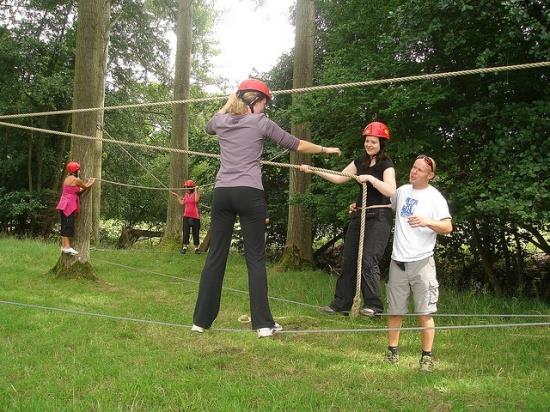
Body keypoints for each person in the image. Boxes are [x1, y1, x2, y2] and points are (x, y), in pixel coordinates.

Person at [192, 79, 341, 338]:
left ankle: (200, 322)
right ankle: (263, 325)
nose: (265, 108)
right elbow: (297, 145)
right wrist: (325, 149)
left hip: (223, 194)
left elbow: (208, 126)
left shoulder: (222, 121)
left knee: (216, 256)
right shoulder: (260, 122)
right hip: (250, 194)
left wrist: (228, 103)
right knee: (255, 260)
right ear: (256, 101)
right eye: (264, 103)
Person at [300, 121, 396, 317]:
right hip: (359, 214)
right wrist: (313, 169)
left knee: (368, 259)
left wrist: (371, 179)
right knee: (349, 259)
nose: (369, 145)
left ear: (382, 144)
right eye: (367, 141)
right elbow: (338, 178)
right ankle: (342, 304)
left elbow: (391, 191)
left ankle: (373, 307)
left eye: (374, 142)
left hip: (379, 216)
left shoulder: (387, 164)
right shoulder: (359, 162)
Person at [385, 155, 452, 372]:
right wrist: (358, 206)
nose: (414, 172)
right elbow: (386, 206)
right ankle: (392, 352)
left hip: (422, 263)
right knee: (395, 311)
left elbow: (447, 227)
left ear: (430, 175)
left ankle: (426, 357)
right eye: (414, 167)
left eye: (420, 170)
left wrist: (427, 222)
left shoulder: (435, 198)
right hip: (398, 262)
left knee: (425, 313)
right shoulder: (402, 191)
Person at [55, 161, 95, 256]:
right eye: (79, 170)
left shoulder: (67, 179)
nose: (80, 171)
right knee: (68, 226)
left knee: (65, 225)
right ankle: (67, 247)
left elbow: (77, 191)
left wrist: (86, 185)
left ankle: (65, 247)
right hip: (68, 205)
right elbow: (85, 187)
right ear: (76, 171)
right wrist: (90, 182)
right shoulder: (75, 180)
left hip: (64, 204)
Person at [171, 180, 201, 254]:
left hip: (195, 217)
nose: (186, 189)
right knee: (186, 232)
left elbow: (196, 200)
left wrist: (196, 190)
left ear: (191, 188)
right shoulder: (186, 195)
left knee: (195, 233)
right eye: (185, 187)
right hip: (186, 216)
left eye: (187, 187)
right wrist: (177, 196)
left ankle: (196, 248)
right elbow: (182, 203)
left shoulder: (196, 193)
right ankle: (184, 247)